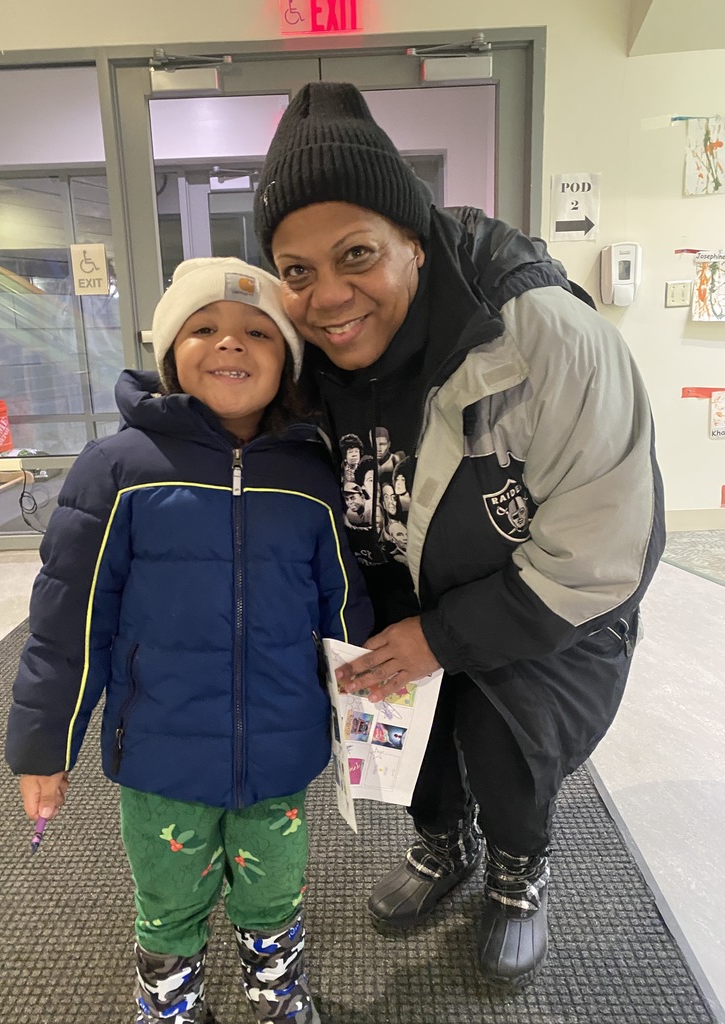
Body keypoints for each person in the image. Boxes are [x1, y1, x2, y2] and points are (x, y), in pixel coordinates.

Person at [252, 82, 664, 989]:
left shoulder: (545, 337)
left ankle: (518, 869)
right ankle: (443, 844)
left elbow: (602, 554)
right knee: (411, 732)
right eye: (297, 270)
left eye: (357, 254)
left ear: (416, 239)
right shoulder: (300, 351)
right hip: (402, 584)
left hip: (545, 605)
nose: (328, 297)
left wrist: (443, 638)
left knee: (504, 739)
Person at [5, 256, 373, 1024]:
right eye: (204, 328)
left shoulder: (309, 477)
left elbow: (345, 606)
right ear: (171, 350)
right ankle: (170, 1005)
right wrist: (45, 743)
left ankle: (278, 998)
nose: (230, 345)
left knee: (275, 889)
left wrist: (363, 717)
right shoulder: (118, 470)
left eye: (256, 333)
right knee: (169, 898)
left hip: (280, 748)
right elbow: (68, 620)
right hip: (159, 754)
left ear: (288, 361)